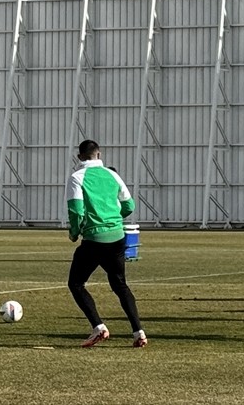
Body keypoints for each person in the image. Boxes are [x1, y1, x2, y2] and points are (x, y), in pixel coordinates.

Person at [65, 139, 147, 348]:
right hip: (117, 237)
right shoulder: (113, 175)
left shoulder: (77, 177)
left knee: (76, 284)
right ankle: (139, 332)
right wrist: (113, 218)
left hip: (94, 239)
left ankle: (98, 327)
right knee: (120, 284)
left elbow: (76, 209)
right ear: (99, 155)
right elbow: (129, 204)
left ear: (80, 156)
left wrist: (75, 232)